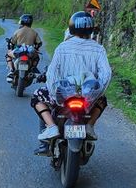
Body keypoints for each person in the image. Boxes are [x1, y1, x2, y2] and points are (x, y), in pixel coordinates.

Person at [32, 11, 112, 150]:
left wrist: (54, 94)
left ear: (71, 27)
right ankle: (89, 126)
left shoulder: (62, 47)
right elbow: (106, 74)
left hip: (64, 96)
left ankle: (51, 127)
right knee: (103, 100)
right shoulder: (99, 49)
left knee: (36, 97)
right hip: (87, 97)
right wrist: (96, 94)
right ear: (91, 28)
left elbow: (52, 73)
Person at [6, 14, 42, 82]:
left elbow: (12, 42)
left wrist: (10, 48)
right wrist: (36, 48)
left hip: (19, 51)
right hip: (30, 52)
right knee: (37, 57)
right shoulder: (34, 32)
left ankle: (11, 70)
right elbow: (39, 43)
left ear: (22, 21)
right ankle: (33, 68)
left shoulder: (18, 31)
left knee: (8, 55)